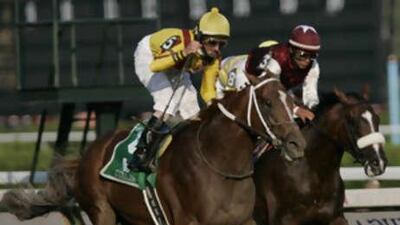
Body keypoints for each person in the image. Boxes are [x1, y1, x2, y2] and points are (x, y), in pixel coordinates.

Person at [129, 7, 230, 172]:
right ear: (199, 37)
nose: (217, 49)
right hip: (150, 57)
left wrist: (215, 107)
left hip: (176, 66)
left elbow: (207, 91)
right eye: (212, 42)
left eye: (221, 44)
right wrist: (184, 52)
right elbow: (155, 66)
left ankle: (192, 156)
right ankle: (141, 152)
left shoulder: (213, 58)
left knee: (193, 111)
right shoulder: (179, 39)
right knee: (166, 100)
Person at [245, 25, 321, 122]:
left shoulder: (313, 65)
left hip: (279, 85)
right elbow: (269, 92)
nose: (306, 60)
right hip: (246, 75)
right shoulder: (278, 59)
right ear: (291, 50)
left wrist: (313, 110)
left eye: (312, 55)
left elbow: (311, 95)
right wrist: (296, 110)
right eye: (302, 55)